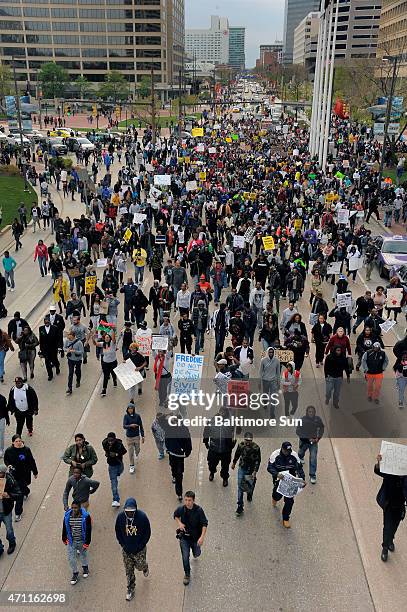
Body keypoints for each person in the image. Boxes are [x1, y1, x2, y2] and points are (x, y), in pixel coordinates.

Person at [115, 497, 151, 601]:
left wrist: (141, 545)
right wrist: (123, 544)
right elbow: (118, 531)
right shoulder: (121, 517)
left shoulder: (142, 517)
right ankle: (130, 588)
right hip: (126, 550)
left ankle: (145, 567)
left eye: (132, 511)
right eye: (127, 511)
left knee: (139, 566)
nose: (129, 513)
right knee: (129, 570)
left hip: (139, 550)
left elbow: (147, 533)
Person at [375, 452, 407, 562]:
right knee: (387, 527)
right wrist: (379, 462)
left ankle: (390, 540)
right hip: (389, 505)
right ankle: (384, 548)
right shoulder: (390, 472)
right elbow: (378, 471)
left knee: (395, 526)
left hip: (399, 507)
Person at [267, 441, 306, 528]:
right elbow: (269, 467)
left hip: (290, 481)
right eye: (286, 451)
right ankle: (274, 498)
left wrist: (302, 479)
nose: (287, 453)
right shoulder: (275, 455)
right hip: (279, 479)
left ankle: (286, 518)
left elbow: (299, 469)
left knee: (289, 501)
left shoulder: (294, 455)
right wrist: (276, 474)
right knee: (277, 495)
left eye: (289, 451)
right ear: (282, 449)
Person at [174, 491, 208, 586]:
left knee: (196, 553)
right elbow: (175, 515)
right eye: (186, 500)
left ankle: (196, 552)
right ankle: (187, 574)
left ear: (193, 500)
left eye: (189, 500)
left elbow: (204, 524)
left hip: (195, 538)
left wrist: (202, 537)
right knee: (185, 557)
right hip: (184, 538)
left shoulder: (199, 511)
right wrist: (179, 523)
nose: (187, 502)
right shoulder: (181, 509)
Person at [4, 434, 37, 521]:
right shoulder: (9, 451)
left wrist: (35, 471)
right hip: (14, 475)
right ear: (13, 442)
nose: (18, 443)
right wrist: (9, 465)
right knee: (20, 494)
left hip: (24, 475)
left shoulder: (26, 450)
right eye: (16, 441)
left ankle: (26, 491)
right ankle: (18, 513)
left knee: (22, 489)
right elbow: (6, 459)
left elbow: (31, 461)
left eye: (20, 441)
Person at [159, 415, 192, 501]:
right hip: (172, 453)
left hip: (180, 455)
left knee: (179, 474)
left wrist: (188, 451)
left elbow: (188, 440)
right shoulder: (169, 427)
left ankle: (179, 493)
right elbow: (161, 420)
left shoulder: (184, 429)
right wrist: (167, 415)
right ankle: (173, 475)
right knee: (173, 467)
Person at [203, 407, 236, 486]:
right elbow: (206, 432)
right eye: (221, 412)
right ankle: (212, 472)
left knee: (225, 467)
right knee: (212, 463)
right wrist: (206, 442)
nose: (222, 414)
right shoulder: (212, 421)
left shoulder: (230, 422)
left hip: (226, 449)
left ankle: (225, 478)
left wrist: (237, 426)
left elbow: (237, 430)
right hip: (214, 448)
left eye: (224, 412)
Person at [62, 500, 92, 585]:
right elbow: (64, 527)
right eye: (72, 508)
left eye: (75, 508)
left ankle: (85, 567)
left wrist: (87, 542)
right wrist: (64, 538)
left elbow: (89, 530)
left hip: (82, 540)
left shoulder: (86, 516)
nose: (74, 509)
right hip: (72, 541)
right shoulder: (67, 516)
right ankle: (75, 573)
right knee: (71, 558)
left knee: (83, 555)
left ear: (79, 507)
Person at [232, 432, 261, 516]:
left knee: (250, 485)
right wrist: (234, 463)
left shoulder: (256, 448)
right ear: (244, 439)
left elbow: (258, 460)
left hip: (250, 470)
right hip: (242, 468)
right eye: (246, 440)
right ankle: (240, 506)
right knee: (240, 487)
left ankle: (249, 493)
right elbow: (237, 454)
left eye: (250, 440)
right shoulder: (241, 445)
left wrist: (255, 471)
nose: (248, 442)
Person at [296, 406, 324, 484]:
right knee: (301, 452)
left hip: (314, 443)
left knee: (313, 458)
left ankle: (312, 475)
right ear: (307, 412)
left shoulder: (317, 419)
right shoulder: (302, 420)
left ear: (314, 412)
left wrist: (318, 438)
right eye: (309, 411)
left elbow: (321, 428)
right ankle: (301, 457)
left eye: (312, 411)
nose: (311, 413)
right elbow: (298, 431)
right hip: (304, 441)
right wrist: (308, 438)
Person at [102, 432, 127, 507]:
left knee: (121, 471)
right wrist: (106, 453)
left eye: (112, 440)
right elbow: (105, 448)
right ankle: (116, 500)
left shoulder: (119, 444)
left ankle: (118, 474)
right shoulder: (104, 443)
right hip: (111, 465)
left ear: (115, 439)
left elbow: (124, 451)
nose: (110, 442)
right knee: (114, 483)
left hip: (119, 463)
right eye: (109, 440)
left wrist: (116, 454)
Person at [0, 463, 20, 556]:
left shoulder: (10, 480)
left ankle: (12, 543)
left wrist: (8, 495)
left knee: (9, 530)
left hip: (6, 511)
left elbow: (18, 494)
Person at [92, 331, 118, 397]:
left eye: (108, 337)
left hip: (113, 362)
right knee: (106, 376)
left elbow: (114, 339)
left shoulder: (112, 343)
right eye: (106, 337)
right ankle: (104, 389)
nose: (107, 338)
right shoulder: (102, 344)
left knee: (113, 373)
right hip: (105, 363)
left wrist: (113, 331)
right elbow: (95, 344)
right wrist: (93, 338)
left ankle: (114, 380)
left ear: (110, 338)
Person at [123, 403, 144, 474]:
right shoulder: (126, 416)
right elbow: (124, 426)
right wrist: (130, 426)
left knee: (138, 449)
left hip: (136, 436)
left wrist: (143, 435)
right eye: (129, 409)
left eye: (131, 409)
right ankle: (131, 465)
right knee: (130, 452)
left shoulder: (137, 416)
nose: (130, 410)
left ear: (133, 409)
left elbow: (141, 426)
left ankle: (136, 453)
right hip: (129, 437)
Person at [259, 347, 280, 417]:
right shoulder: (263, 360)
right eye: (270, 352)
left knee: (273, 398)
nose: (271, 353)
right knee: (265, 394)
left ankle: (272, 413)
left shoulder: (277, 361)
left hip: (273, 381)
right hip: (265, 380)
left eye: (272, 352)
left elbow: (278, 373)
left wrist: (278, 382)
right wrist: (259, 381)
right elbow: (260, 371)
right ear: (267, 353)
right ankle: (265, 403)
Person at [38, 317, 60, 381]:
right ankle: (50, 375)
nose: (47, 323)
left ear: (50, 322)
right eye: (45, 322)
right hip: (45, 349)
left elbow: (57, 338)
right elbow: (41, 339)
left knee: (54, 360)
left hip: (53, 348)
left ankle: (57, 367)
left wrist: (58, 347)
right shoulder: (41, 328)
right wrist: (41, 349)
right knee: (47, 362)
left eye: (48, 322)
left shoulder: (54, 328)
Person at [64, 330, 84, 395]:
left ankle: (78, 380)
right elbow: (64, 348)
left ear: (73, 336)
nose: (68, 338)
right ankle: (69, 388)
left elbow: (81, 352)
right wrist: (67, 350)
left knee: (78, 371)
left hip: (78, 360)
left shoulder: (79, 343)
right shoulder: (67, 341)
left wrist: (74, 351)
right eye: (68, 337)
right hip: (70, 359)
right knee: (70, 373)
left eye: (69, 337)